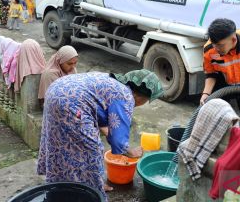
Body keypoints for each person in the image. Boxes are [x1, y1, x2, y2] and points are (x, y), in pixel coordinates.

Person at [37, 69, 164, 200]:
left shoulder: (114, 82)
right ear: (141, 97)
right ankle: (93, 190)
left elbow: (99, 113)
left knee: (59, 141)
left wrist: (111, 134)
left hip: (56, 91)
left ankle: (61, 185)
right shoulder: (125, 97)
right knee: (92, 150)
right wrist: (132, 152)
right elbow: (119, 141)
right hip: (70, 103)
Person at [200, 18, 240, 129]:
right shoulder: (209, 50)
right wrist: (206, 94)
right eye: (214, 44)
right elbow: (211, 74)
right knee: (218, 121)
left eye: (220, 45)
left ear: (234, 40)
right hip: (222, 83)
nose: (216, 49)